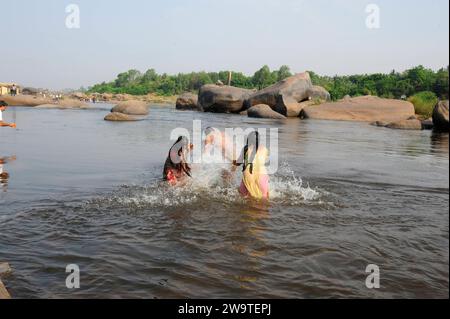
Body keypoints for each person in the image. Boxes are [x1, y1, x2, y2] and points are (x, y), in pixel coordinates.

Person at [232, 131, 270, 200]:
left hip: (249, 177)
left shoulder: (246, 149)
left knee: (243, 197)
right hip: (263, 176)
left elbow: (238, 162)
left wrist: (234, 162)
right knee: (264, 199)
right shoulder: (265, 149)